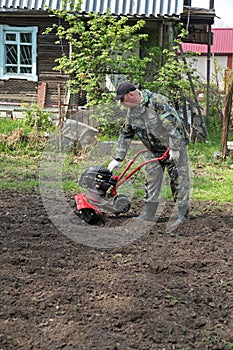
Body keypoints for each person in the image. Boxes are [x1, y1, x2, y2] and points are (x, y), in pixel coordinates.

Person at [108, 82, 190, 229]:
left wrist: (175, 148)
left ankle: (182, 215)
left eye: (122, 99)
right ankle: (149, 212)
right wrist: (117, 158)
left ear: (131, 95)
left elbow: (173, 125)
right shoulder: (132, 111)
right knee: (151, 179)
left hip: (174, 148)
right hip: (154, 150)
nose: (122, 103)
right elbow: (126, 133)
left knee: (179, 180)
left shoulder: (157, 102)